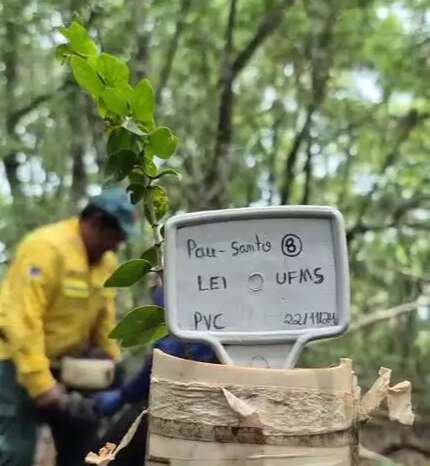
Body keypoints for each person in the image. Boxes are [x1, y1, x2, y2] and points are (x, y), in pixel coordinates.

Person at [0, 187, 136, 466]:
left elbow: (104, 320)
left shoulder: (106, 263)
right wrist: (42, 385)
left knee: (82, 447)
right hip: (17, 364)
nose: (115, 247)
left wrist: (110, 363)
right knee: (16, 452)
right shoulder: (45, 248)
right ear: (95, 223)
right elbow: (22, 320)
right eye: (115, 238)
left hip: (68, 367)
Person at [93, 285, 219, 466]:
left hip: (185, 397)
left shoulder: (181, 290)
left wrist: (124, 395)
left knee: (109, 453)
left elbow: (167, 355)